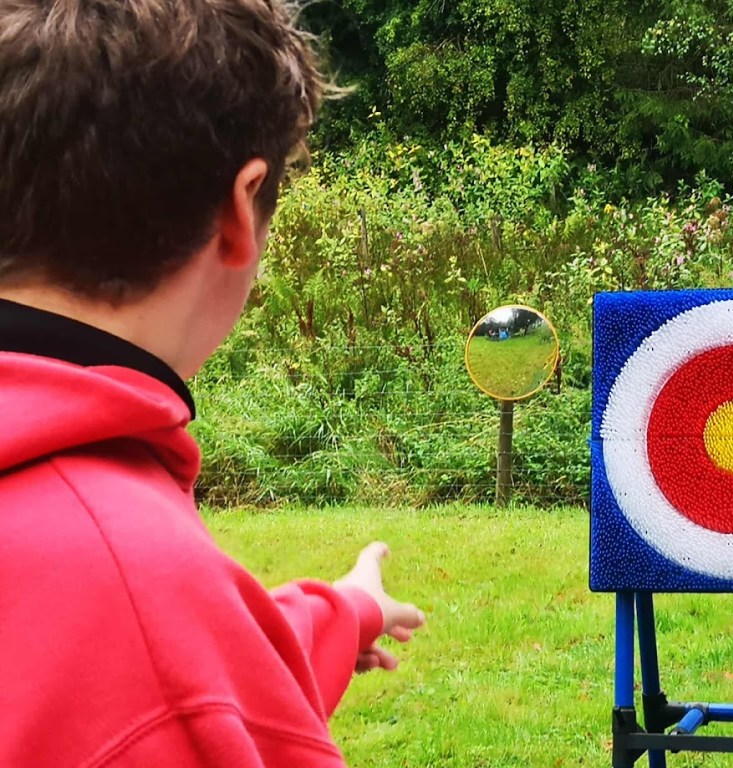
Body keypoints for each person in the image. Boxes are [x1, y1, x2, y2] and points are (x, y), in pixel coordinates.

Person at [0, 1, 425, 765]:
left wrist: (343, 613)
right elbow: (158, 666)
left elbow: (124, 669)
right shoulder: (130, 586)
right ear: (239, 207)